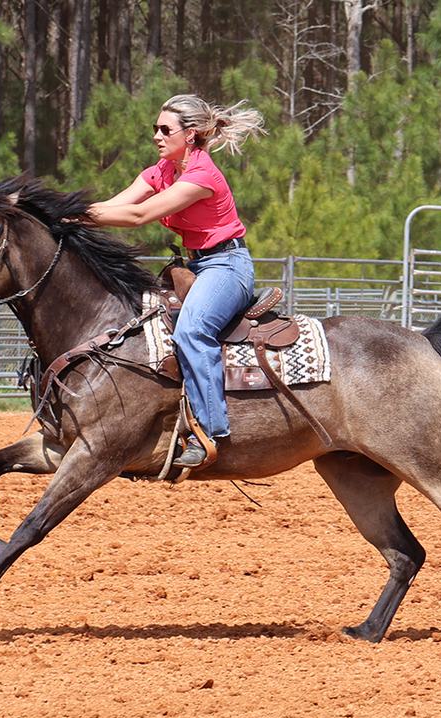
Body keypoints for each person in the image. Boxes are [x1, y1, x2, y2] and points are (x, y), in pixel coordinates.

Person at [83, 94, 265, 467]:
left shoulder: (201, 176)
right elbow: (117, 204)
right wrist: (62, 215)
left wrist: (68, 215)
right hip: (198, 267)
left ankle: (211, 433)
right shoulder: (163, 170)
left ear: (191, 134)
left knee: (191, 332)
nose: (156, 135)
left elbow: (137, 215)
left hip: (227, 266)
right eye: (155, 128)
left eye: (165, 129)